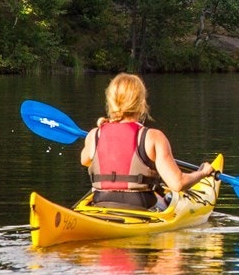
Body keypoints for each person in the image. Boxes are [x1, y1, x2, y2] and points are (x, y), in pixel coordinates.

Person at [79, 73, 214, 211]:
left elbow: (85, 161)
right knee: (169, 197)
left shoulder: (94, 134)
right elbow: (177, 184)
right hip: (140, 205)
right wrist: (202, 173)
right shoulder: (153, 137)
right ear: (141, 102)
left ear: (110, 101)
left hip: (101, 201)